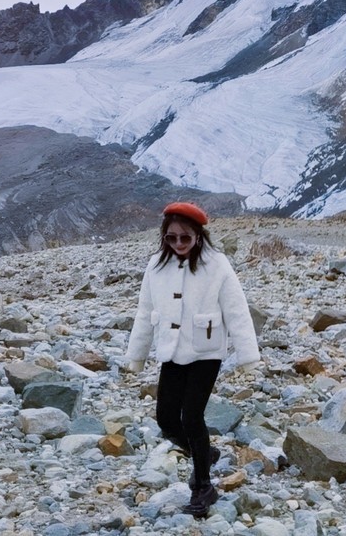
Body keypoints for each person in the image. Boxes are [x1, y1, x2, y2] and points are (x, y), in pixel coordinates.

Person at [123, 202, 260, 517]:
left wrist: (247, 356)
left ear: (198, 235)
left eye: (185, 238)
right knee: (166, 420)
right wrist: (137, 356)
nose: (179, 244)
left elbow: (237, 311)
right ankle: (204, 453)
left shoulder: (218, 265)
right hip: (171, 351)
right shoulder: (156, 265)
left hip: (206, 351)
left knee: (192, 417)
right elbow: (144, 313)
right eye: (172, 238)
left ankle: (203, 487)